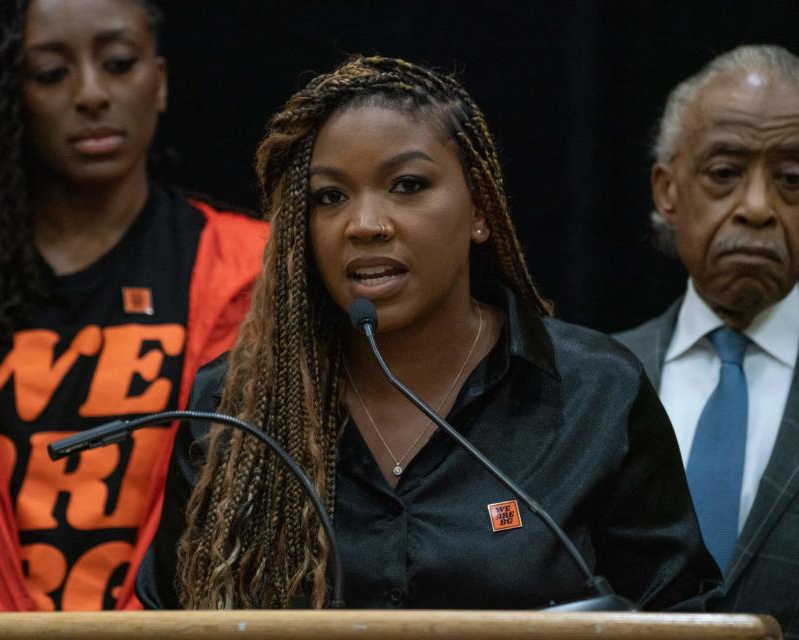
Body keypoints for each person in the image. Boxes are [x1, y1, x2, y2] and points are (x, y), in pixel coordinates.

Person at [135, 55, 718, 611]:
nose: (365, 225)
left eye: (408, 185)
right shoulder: (235, 409)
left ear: (481, 211)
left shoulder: (594, 392)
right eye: (330, 197)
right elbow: (177, 621)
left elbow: (684, 619)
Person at [0, 0, 267, 636]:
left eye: (118, 63)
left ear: (161, 80)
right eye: (49, 73)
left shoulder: (254, 274)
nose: (91, 94)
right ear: (6, 91)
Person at [615, 45, 799, 638]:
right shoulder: (593, 380)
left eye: (792, 180)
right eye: (724, 173)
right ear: (667, 190)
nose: (756, 208)